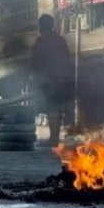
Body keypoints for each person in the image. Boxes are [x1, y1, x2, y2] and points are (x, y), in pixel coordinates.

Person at [29, 14, 75, 146]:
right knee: (57, 109)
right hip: (62, 81)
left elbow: (35, 62)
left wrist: (30, 77)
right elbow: (67, 61)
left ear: (42, 26)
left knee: (52, 109)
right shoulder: (60, 40)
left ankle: (54, 139)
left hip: (50, 82)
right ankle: (55, 137)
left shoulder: (41, 41)